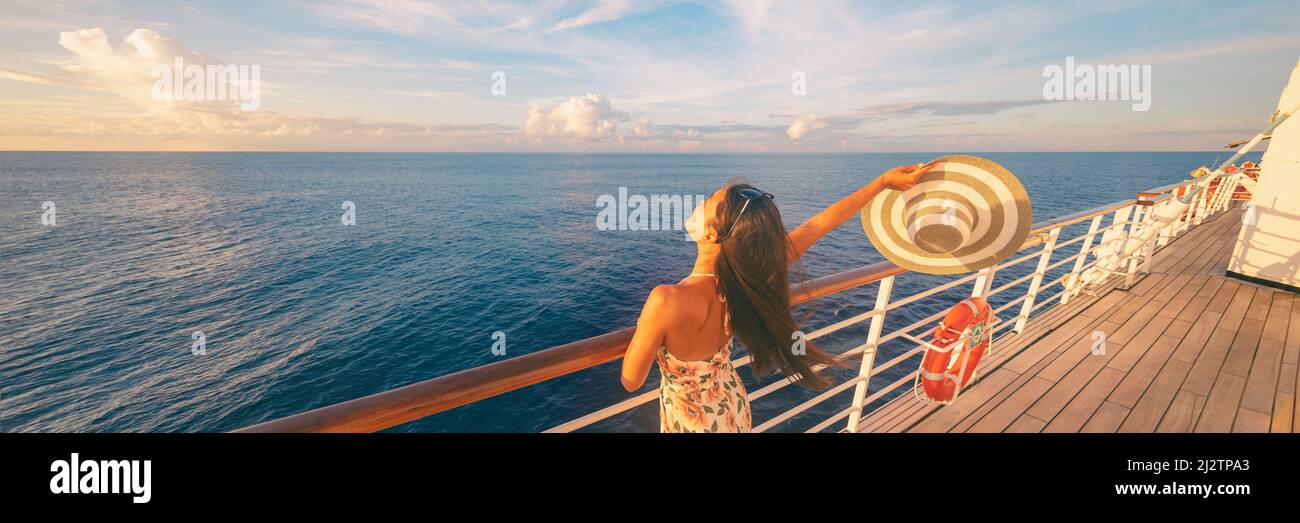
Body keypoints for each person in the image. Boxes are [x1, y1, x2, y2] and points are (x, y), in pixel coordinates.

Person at [619, 162, 935, 432]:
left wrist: (647, 327)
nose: (700, 203)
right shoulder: (748, 275)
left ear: (711, 234)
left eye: (709, 202)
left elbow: (631, 380)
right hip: (731, 405)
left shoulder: (666, 300)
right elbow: (819, 224)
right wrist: (880, 183)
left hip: (693, 420)